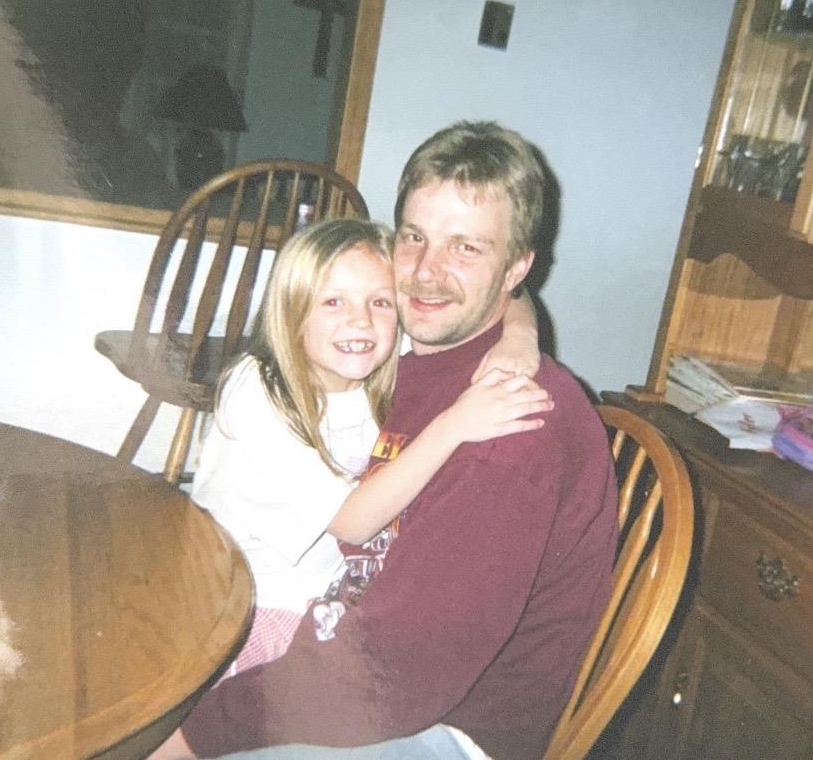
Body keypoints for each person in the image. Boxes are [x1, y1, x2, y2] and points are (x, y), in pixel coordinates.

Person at [150, 121, 618, 760]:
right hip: (329, 651)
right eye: (416, 238)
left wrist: (194, 738)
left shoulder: (512, 425)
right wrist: (521, 325)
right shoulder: (397, 353)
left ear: (517, 268)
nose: (427, 273)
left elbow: (395, 673)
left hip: (432, 727)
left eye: (467, 249)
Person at [191, 218, 554, 675]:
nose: (360, 319)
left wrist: (521, 337)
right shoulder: (258, 389)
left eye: (380, 301)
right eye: (332, 301)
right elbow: (353, 523)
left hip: (324, 597)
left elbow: (510, 292)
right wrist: (454, 424)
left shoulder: (370, 351)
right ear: (291, 311)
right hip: (235, 605)